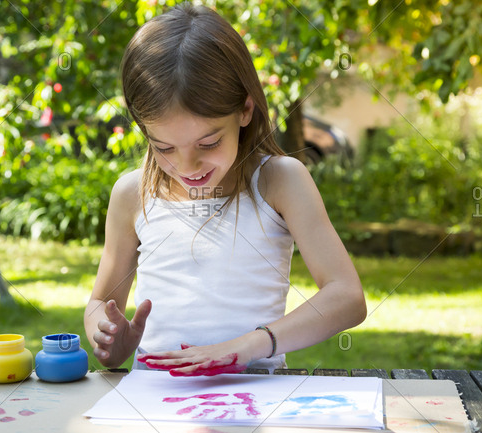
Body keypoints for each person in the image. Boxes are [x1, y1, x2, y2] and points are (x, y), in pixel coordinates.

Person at [84, 3, 366, 377]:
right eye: (165, 148)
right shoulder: (132, 194)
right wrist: (107, 338)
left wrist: (248, 345)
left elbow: (346, 297)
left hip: (255, 398)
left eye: (208, 143)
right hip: (154, 400)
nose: (187, 167)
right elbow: (101, 302)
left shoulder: (280, 181)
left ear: (245, 110)